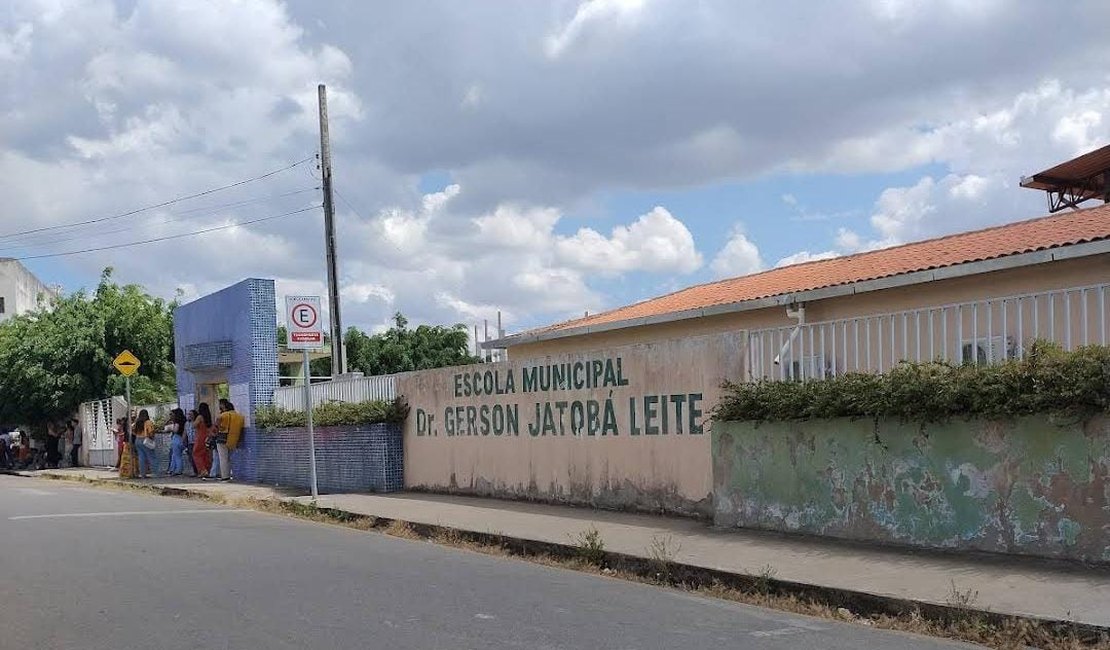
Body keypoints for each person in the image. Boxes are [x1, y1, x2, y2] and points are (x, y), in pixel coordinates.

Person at [214, 399, 244, 482]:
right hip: (233, 438)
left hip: (222, 438)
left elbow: (217, 422)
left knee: (223, 458)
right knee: (230, 458)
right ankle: (232, 474)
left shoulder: (224, 415)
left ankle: (225, 476)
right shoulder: (239, 416)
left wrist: (219, 427)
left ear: (224, 406)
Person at [132, 409, 156, 479]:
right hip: (146, 440)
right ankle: (155, 473)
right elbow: (151, 432)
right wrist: (152, 437)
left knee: (141, 458)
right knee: (151, 457)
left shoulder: (137, 422)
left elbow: (133, 430)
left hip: (137, 440)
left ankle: (143, 474)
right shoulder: (148, 422)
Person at [164, 409, 187, 476]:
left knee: (176, 456)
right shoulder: (184, 420)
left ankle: (178, 470)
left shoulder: (177, 421)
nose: (171, 415)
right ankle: (173, 469)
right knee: (175, 455)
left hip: (177, 438)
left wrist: (170, 428)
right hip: (182, 438)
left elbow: (176, 430)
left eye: (172, 414)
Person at [192, 405, 212, 478]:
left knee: (196, 453)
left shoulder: (200, 417)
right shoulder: (208, 417)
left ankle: (202, 470)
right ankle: (207, 469)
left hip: (200, 437)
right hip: (206, 436)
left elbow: (194, 425)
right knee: (205, 454)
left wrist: (193, 420)